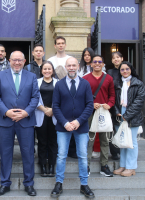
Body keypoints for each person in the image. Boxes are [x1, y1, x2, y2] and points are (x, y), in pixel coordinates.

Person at [0, 51, 40, 196]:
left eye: (20, 60)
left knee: (27, 153)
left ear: (25, 61)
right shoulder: (0, 75)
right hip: (5, 120)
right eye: (14, 60)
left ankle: (29, 183)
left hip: (25, 120)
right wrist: (7, 112)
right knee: (5, 153)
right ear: (9, 60)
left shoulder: (31, 76)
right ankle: (5, 183)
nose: (17, 62)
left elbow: (35, 97)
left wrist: (26, 113)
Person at [51, 57, 94, 198]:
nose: (71, 68)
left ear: (78, 66)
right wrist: (65, 123)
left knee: (82, 156)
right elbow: (55, 106)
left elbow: (89, 105)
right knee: (61, 155)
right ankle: (59, 183)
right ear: (65, 66)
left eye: (73, 65)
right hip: (63, 126)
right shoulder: (59, 85)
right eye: (68, 65)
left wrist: (78, 121)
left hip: (81, 126)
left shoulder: (85, 84)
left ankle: (84, 185)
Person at [83, 55, 115, 177]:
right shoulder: (85, 78)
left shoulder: (109, 78)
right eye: (94, 62)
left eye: (99, 62)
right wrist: (91, 104)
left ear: (102, 64)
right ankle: (86, 165)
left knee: (105, 140)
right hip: (90, 112)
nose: (97, 63)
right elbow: (83, 97)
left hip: (104, 112)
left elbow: (112, 95)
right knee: (89, 139)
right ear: (91, 64)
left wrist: (110, 104)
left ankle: (104, 165)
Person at [112, 61, 145, 177]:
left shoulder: (138, 83)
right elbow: (113, 100)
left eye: (127, 69)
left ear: (131, 70)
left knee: (131, 142)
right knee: (122, 141)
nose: (125, 71)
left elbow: (139, 102)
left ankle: (131, 167)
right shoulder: (117, 83)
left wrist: (127, 115)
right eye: (122, 69)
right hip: (119, 114)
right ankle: (123, 165)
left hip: (132, 115)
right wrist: (116, 112)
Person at [35, 61, 58, 177]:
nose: (47, 71)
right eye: (45, 69)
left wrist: (53, 110)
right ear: (41, 70)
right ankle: (43, 165)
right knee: (42, 141)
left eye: (49, 69)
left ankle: (52, 165)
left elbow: (61, 99)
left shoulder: (58, 83)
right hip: (41, 114)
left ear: (52, 70)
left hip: (54, 115)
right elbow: (34, 98)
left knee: (53, 142)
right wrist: (45, 110)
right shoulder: (37, 82)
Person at [107, 51, 124, 160]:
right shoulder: (110, 72)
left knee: (124, 130)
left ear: (122, 58)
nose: (116, 59)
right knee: (113, 129)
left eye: (118, 57)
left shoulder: (126, 69)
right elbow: (109, 89)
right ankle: (114, 152)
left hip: (125, 103)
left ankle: (124, 151)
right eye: (114, 58)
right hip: (114, 103)